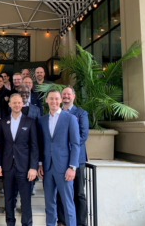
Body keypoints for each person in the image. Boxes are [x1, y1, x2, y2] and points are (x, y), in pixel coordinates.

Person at [38, 89, 80, 226]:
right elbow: (41, 144)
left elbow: (75, 144)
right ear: (46, 100)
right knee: (49, 204)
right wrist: (39, 164)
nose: (54, 101)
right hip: (47, 168)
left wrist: (72, 167)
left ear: (61, 100)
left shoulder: (70, 118)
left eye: (56, 98)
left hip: (64, 168)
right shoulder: (42, 120)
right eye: (51, 98)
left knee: (68, 204)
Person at [0, 93, 39, 226]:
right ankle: (10, 223)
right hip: (7, 167)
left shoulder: (30, 121)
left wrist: (33, 167)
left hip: (24, 168)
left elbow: (34, 147)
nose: (17, 105)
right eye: (14, 102)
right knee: (8, 199)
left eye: (19, 102)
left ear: (22, 104)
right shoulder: (3, 122)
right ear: (9, 104)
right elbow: (0, 145)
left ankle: (27, 224)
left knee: (26, 200)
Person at [56, 87, 89, 226]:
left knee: (79, 192)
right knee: (60, 191)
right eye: (64, 94)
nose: (66, 96)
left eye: (69, 94)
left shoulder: (81, 113)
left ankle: (81, 223)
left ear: (73, 96)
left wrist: (67, 149)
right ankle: (62, 221)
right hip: (60, 159)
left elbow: (83, 136)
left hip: (77, 159)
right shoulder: (56, 113)